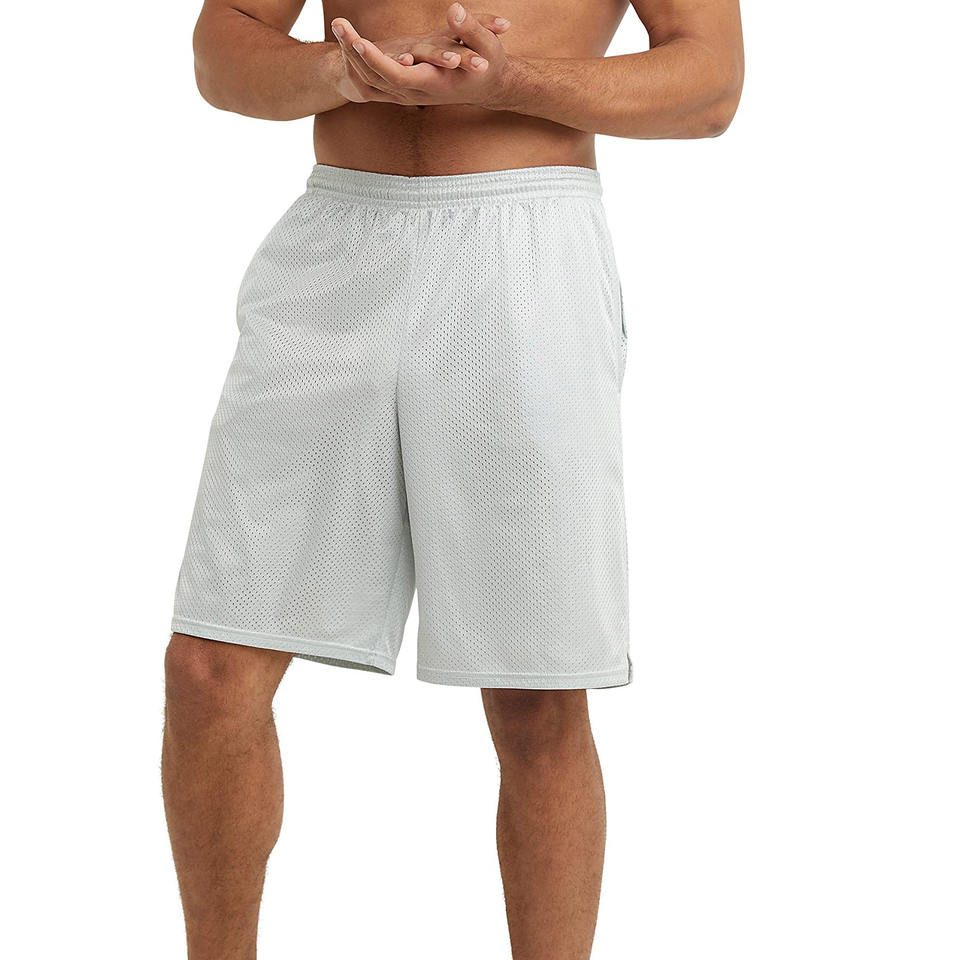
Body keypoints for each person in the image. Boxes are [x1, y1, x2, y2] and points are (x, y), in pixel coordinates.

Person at [162, 1, 744, 957]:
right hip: (336, 246)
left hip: (526, 249)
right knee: (209, 666)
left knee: (535, 694)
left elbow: (711, 86)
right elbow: (221, 52)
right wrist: (336, 73)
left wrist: (519, 84)